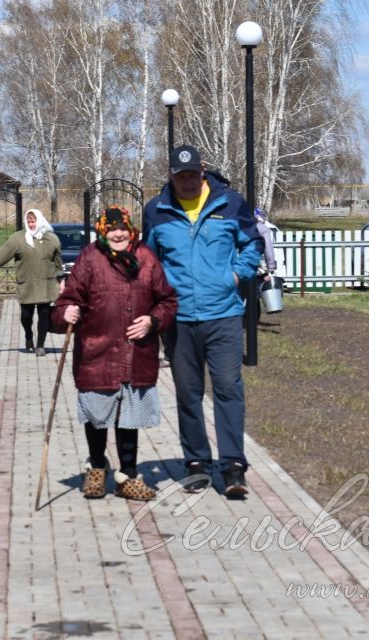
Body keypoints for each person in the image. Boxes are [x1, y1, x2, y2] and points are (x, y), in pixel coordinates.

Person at [143, 144, 262, 497]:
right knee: (188, 393)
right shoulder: (157, 211)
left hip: (223, 314)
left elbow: (253, 243)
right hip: (178, 319)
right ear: (171, 176)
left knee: (228, 389)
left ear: (203, 170)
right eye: (181, 176)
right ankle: (196, 462)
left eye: (193, 174)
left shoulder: (230, 203)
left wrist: (237, 276)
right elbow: (149, 260)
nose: (188, 182)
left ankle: (232, 466)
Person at [52, 207, 177, 501]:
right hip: (97, 352)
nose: (118, 234)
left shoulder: (146, 257)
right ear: (102, 231)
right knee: (97, 415)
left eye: (122, 228)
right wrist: (65, 311)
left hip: (137, 353)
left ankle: (128, 476)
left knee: (128, 418)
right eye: (111, 229)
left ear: (131, 229)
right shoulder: (90, 258)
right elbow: (68, 300)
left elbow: (168, 300)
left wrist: (152, 321)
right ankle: (97, 467)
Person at [0, 208, 62, 356]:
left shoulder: (52, 239)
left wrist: (61, 279)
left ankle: (40, 345)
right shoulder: (18, 239)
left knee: (44, 314)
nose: (31, 224)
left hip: (46, 284)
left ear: (40, 220)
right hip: (27, 284)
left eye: (33, 221)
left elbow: (58, 263)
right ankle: (28, 336)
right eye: (29, 221)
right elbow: (3, 253)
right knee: (26, 316)